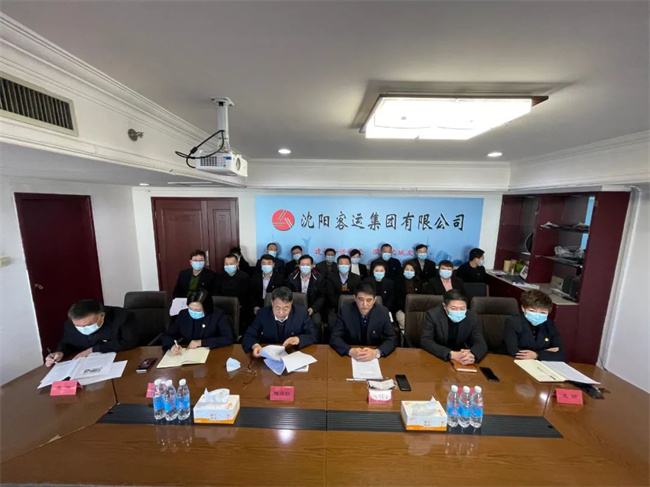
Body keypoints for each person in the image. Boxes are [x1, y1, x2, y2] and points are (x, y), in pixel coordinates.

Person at [45, 300, 138, 366]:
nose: (83, 329)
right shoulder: (70, 324)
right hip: (86, 364)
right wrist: (60, 352)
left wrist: (92, 350)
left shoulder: (123, 317)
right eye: (78, 326)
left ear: (102, 316)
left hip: (121, 360)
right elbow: (67, 342)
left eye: (88, 325)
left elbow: (129, 342)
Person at [330, 282, 398, 360]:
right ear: (355, 298)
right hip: (349, 357)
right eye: (361, 299)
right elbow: (334, 338)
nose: (365, 304)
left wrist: (376, 352)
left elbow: (392, 339)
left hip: (374, 356)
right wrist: (350, 351)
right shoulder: (345, 311)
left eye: (369, 300)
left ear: (374, 300)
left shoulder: (383, 312)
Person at [242, 286, 317, 355]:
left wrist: (298, 339)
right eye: (277, 308)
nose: (281, 313)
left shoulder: (301, 313)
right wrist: (255, 346)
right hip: (269, 355)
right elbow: (249, 335)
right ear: (272, 303)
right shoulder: (262, 314)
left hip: (293, 353)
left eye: (285, 308)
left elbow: (313, 334)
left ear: (291, 303)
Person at [420, 289, 487, 364]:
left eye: (462, 308)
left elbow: (480, 343)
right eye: (453, 308)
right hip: (438, 358)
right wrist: (450, 354)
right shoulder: (433, 315)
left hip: (461, 359)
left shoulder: (472, 317)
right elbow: (426, 341)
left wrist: (472, 355)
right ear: (445, 306)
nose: (458, 312)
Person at [161, 290, 234, 352]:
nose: (193, 312)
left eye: (197, 310)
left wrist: (201, 342)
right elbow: (168, 335)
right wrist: (172, 346)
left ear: (206, 308)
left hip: (213, 353)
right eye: (190, 309)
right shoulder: (183, 314)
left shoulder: (217, 315)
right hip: (189, 353)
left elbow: (228, 338)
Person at [504, 290, 565, 361]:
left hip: (538, 363)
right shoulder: (513, 322)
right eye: (532, 311)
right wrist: (546, 353)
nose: (537, 315)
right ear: (523, 308)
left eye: (543, 312)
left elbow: (561, 355)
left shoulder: (549, 324)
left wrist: (537, 354)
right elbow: (514, 351)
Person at [286, 254, 326, 336]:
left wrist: (313, 308)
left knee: (316, 322)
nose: (305, 267)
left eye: (307, 265)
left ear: (312, 266)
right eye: (303, 264)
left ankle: (315, 341)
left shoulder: (319, 278)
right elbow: (288, 295)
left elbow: (322, 296)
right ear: (299, 266)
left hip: (313, 307)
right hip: (295, 308)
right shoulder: (291, 278)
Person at [215, 253, 251, 332]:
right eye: (226, 264)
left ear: (237, 264)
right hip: (222, 307)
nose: (229, 266)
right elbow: (216, 293)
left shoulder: (245, 277)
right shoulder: (219, 276)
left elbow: (247, 295)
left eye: (231, 264)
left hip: (240, 308)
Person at [393, 261, 425, 329]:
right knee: (407, 326)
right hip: (401, 309)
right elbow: (397, 300)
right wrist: (407, 309)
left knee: (420, 325)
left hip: (416, 309)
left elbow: (421, 298)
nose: (409, 271)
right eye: (407, 269)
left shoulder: (418, 282)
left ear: (415, 271)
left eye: (411, 270)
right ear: (403, 270)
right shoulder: (398, 282)